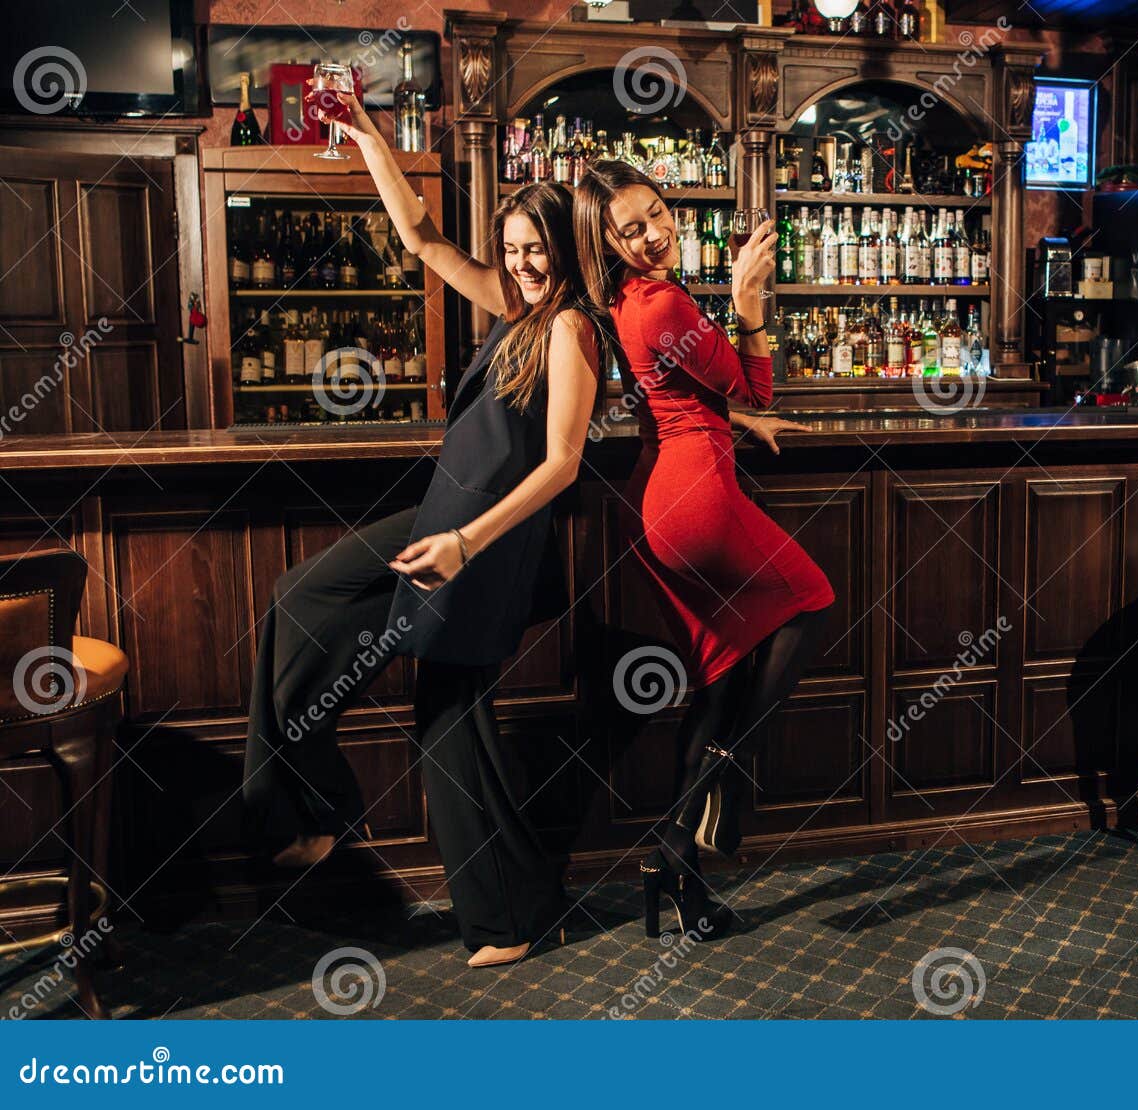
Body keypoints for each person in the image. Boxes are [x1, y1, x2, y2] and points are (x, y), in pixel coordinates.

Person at [241, 92, 604, 969]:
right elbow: (424, 240)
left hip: (486, 540)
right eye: (512, 249)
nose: (518, 263)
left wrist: (466, 543)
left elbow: (559, 465)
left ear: (564, 248)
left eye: (533, 249)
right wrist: (371, 141)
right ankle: (310, 814)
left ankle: (507, 918)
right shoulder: (516, 309)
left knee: (446, 712)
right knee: (302, 597)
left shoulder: (572, 329)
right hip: (445, 516)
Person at [573, 161, 833, 940]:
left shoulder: (623, 302)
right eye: (632, 229)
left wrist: (740, 406)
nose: (654, 233)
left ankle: (676, 860)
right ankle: (722, 788)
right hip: (697, 501)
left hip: (656, 503)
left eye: (657, 212)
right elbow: (755, 389)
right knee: (810, 601)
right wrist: (749, 304)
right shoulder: (663, 302)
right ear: (610, 243)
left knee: (719, 677)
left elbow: (700, 394)